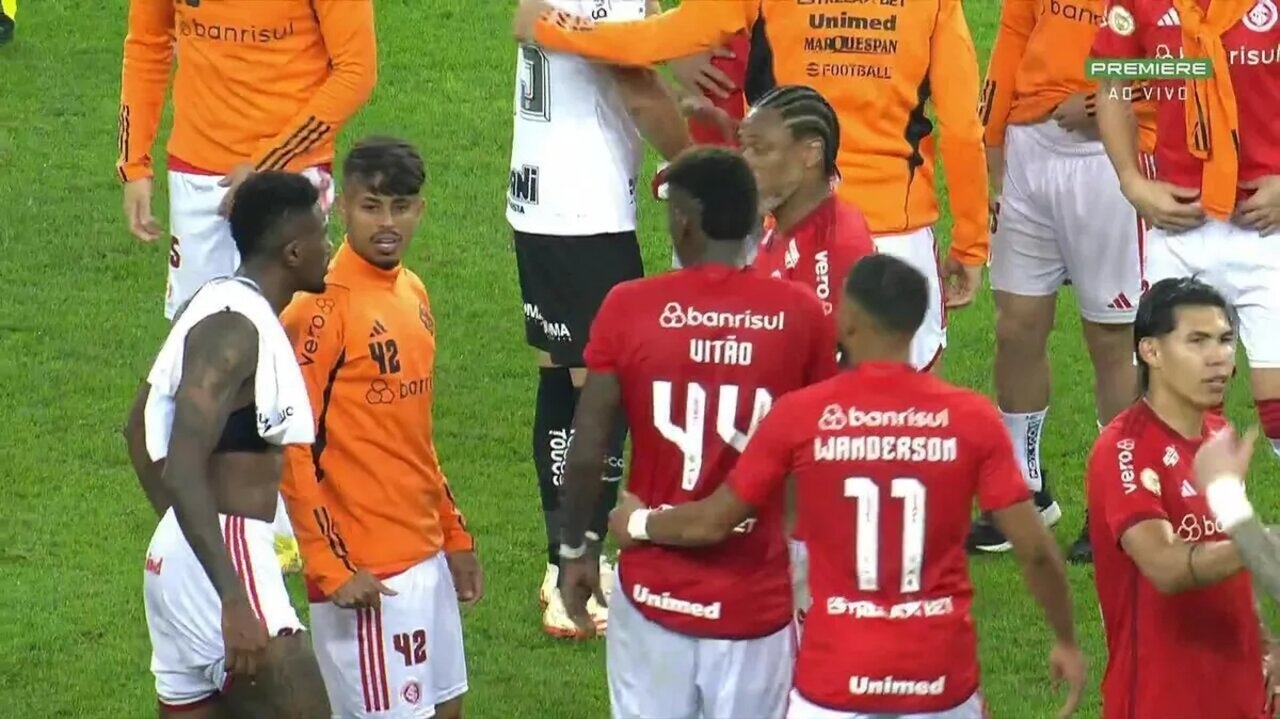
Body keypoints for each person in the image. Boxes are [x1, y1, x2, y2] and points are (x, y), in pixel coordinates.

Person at [602, 253, 1086, 719]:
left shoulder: (801, 416)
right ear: (916, 324)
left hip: (834, 682)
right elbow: (1037, 550)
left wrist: (640, 522)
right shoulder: (971, 419)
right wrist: (1065, 639)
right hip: (939, 680)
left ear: (848, 319)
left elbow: (715, 519)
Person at [514, 0, 991, 371]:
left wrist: (555, 26)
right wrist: (970, 244)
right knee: (906, 427)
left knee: (775, 427)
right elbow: (963, 129)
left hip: (789, 235)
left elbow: (667, 36)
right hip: (896, 238)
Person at [556, 146, 838, 718]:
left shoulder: (629, 306)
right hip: (754, 605)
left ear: (683, 222)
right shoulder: (802, 314)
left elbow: (587, 449)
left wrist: (576, 549)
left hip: (653, 596)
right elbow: (818, 458)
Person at [118, 0, 378, 569]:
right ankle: (195, 527)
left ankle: (295, 519)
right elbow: (147, 41)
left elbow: (356, 68)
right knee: (202, 359)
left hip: (290, 173)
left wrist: (268, 161)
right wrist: (133, 163)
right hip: (197, 175)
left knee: (290, 347)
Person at [506, 0, 694, 637]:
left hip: (540, 198)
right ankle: (574, 570)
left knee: (562, 378)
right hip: (582, 209)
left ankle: (561, 556)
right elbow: (637, 85)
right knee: (601, 395)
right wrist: (697, 161)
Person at [277, 138, 478, 719]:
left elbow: (411, 435)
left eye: (402, 205)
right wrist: (329, 564)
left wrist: (454, 533)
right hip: (366, 568)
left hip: (424, 556)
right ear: (343, 207)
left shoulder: (411, 291)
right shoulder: (320, 310)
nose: (387, 223)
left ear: (421, 209)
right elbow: (292, 449)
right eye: (371, 206)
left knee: (447, 707)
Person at [124, 172, 333, 718]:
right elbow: (183, 465)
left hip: (187, 555)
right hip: (226, 560)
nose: (329, 248)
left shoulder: (212, 303)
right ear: (293, 251)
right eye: (322, 236)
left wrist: (178, 533)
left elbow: (136, 427)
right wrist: (232, 596)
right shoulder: (234, 333)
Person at [966, 0, 1158, 562]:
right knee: (1016, 326)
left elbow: (1198, 64)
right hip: (1030, 152)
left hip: (1110, 158)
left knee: (1111, 339)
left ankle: (1116, 504)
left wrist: (1108, 99)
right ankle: (1022, 490)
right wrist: (994, 142)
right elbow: (1010, 41)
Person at [1094, 0, 1280, 483]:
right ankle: (1184, 539)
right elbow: (1111, 84)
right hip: (1179, 230)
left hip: (1266, 228)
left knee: (1277, 404)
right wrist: (1133, 183)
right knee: (1172, 404)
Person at [1087, 276, 1269, 719]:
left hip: (1242, 693)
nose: (1219, 359)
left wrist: (1265, 644)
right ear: (1151, 352)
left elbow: (1230, 558)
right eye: (1198, 341)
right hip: (1162, 699)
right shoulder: (1123, 449)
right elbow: (1165, 566)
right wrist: (1262, 541)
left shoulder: (1218, 437)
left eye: (1226, 340)